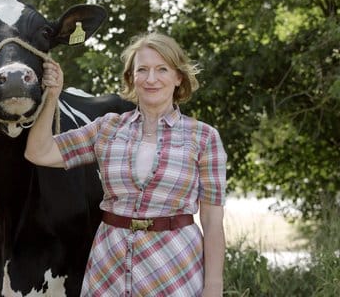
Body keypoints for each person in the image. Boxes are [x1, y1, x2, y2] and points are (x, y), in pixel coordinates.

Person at [25, 32, 226, 296]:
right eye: (142, 70)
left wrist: (213, 285)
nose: (151, 79)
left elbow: (212, 221)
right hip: (109, 265)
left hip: (175, 269)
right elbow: (38, 152)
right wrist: (52, 96)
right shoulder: (107, 128)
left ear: (178, 77)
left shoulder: (204, 137)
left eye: (162, 69)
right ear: (131, 78)